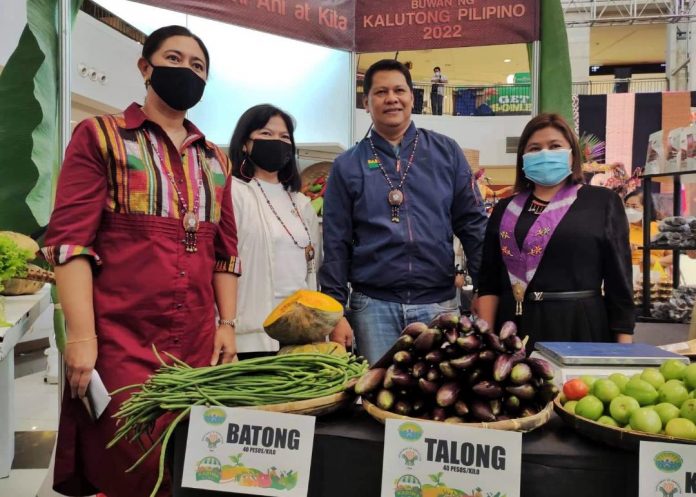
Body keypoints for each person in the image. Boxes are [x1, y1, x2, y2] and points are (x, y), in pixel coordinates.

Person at [42, 26, 240, 497]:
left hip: (194, 344)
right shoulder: (100, 137)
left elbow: (225, 250)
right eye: (174, 58)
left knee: (187, 462)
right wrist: (83, 340)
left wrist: (227, 323)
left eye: (197, 66)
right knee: (127, 465)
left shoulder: (216, 159)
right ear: (145, 67)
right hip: (120, 341)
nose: (186, 71)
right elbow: (70, 244)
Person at [320, 59, 487, 364]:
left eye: (399, 90)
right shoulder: (347, 165)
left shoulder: (445, 151)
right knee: (380, 397)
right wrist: (334, 311)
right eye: (381, 92)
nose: (391, 98)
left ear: (412, 97)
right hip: (372, 307)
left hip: (439, 304)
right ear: (366, 102)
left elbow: (473, 225)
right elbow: (335, 243)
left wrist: (485, 290)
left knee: (438, 400)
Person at [477, 113, 635, 349]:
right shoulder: (505, 209)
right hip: (513, 329)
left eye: (555, 146)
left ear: (572, 155)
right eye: (534, 148)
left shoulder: (602, 202)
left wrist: (624, 350)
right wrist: (485, 341)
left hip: (579, 326)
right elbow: (489, 281)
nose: (544, 154)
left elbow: (619, 282)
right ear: (523, 158)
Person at [228, 104, 321, 356]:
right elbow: (223, 261)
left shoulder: (300, 202)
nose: (276, 142)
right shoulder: (233, 193)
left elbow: (313, 265)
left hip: (299, 330)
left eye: (284, 137)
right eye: (266, 134)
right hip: (252, 331)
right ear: (245, 143)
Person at [624, 190, 672, 281]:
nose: (630, 210)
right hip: (627, 275)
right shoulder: (620, 228)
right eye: (627, 206)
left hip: (655, 276)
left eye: (634, 207)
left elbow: (673, 256)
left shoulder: (659, 228)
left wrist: (656, 261)